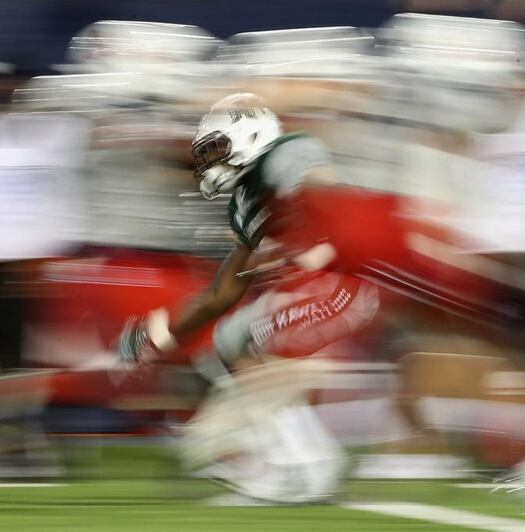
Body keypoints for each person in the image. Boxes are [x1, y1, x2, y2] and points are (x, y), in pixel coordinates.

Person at [117, 92, 379, 503]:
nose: (211, 160)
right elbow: (223, 292)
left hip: (343, 286)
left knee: (254, 345)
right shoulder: (245, 201)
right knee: (226, 345)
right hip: (318, 289)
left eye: (218, 147)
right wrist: (162, 336)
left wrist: (314, 243)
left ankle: (302, 467)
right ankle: (304, 456)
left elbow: (320, 190)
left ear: (251, 135)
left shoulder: (286, 156)